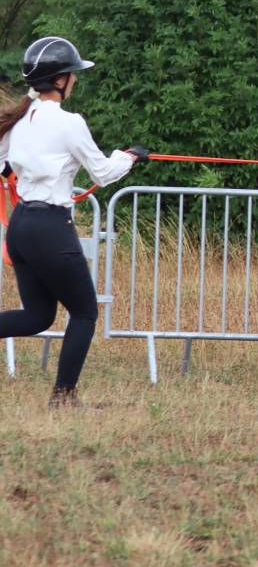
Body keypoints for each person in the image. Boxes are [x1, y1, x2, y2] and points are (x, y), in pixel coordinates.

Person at [0, 37, 148, 408]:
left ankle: (64, 395)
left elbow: (3, 164)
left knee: (37, 316)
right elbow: (103, 171)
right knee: (84, 311)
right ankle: (63, 396)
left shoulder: (20, 122)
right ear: (62, 79)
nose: (76, 81)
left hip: (21, 228)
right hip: (50, 226)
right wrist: (130, 156)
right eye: (73, 75)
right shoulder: (69, 122)